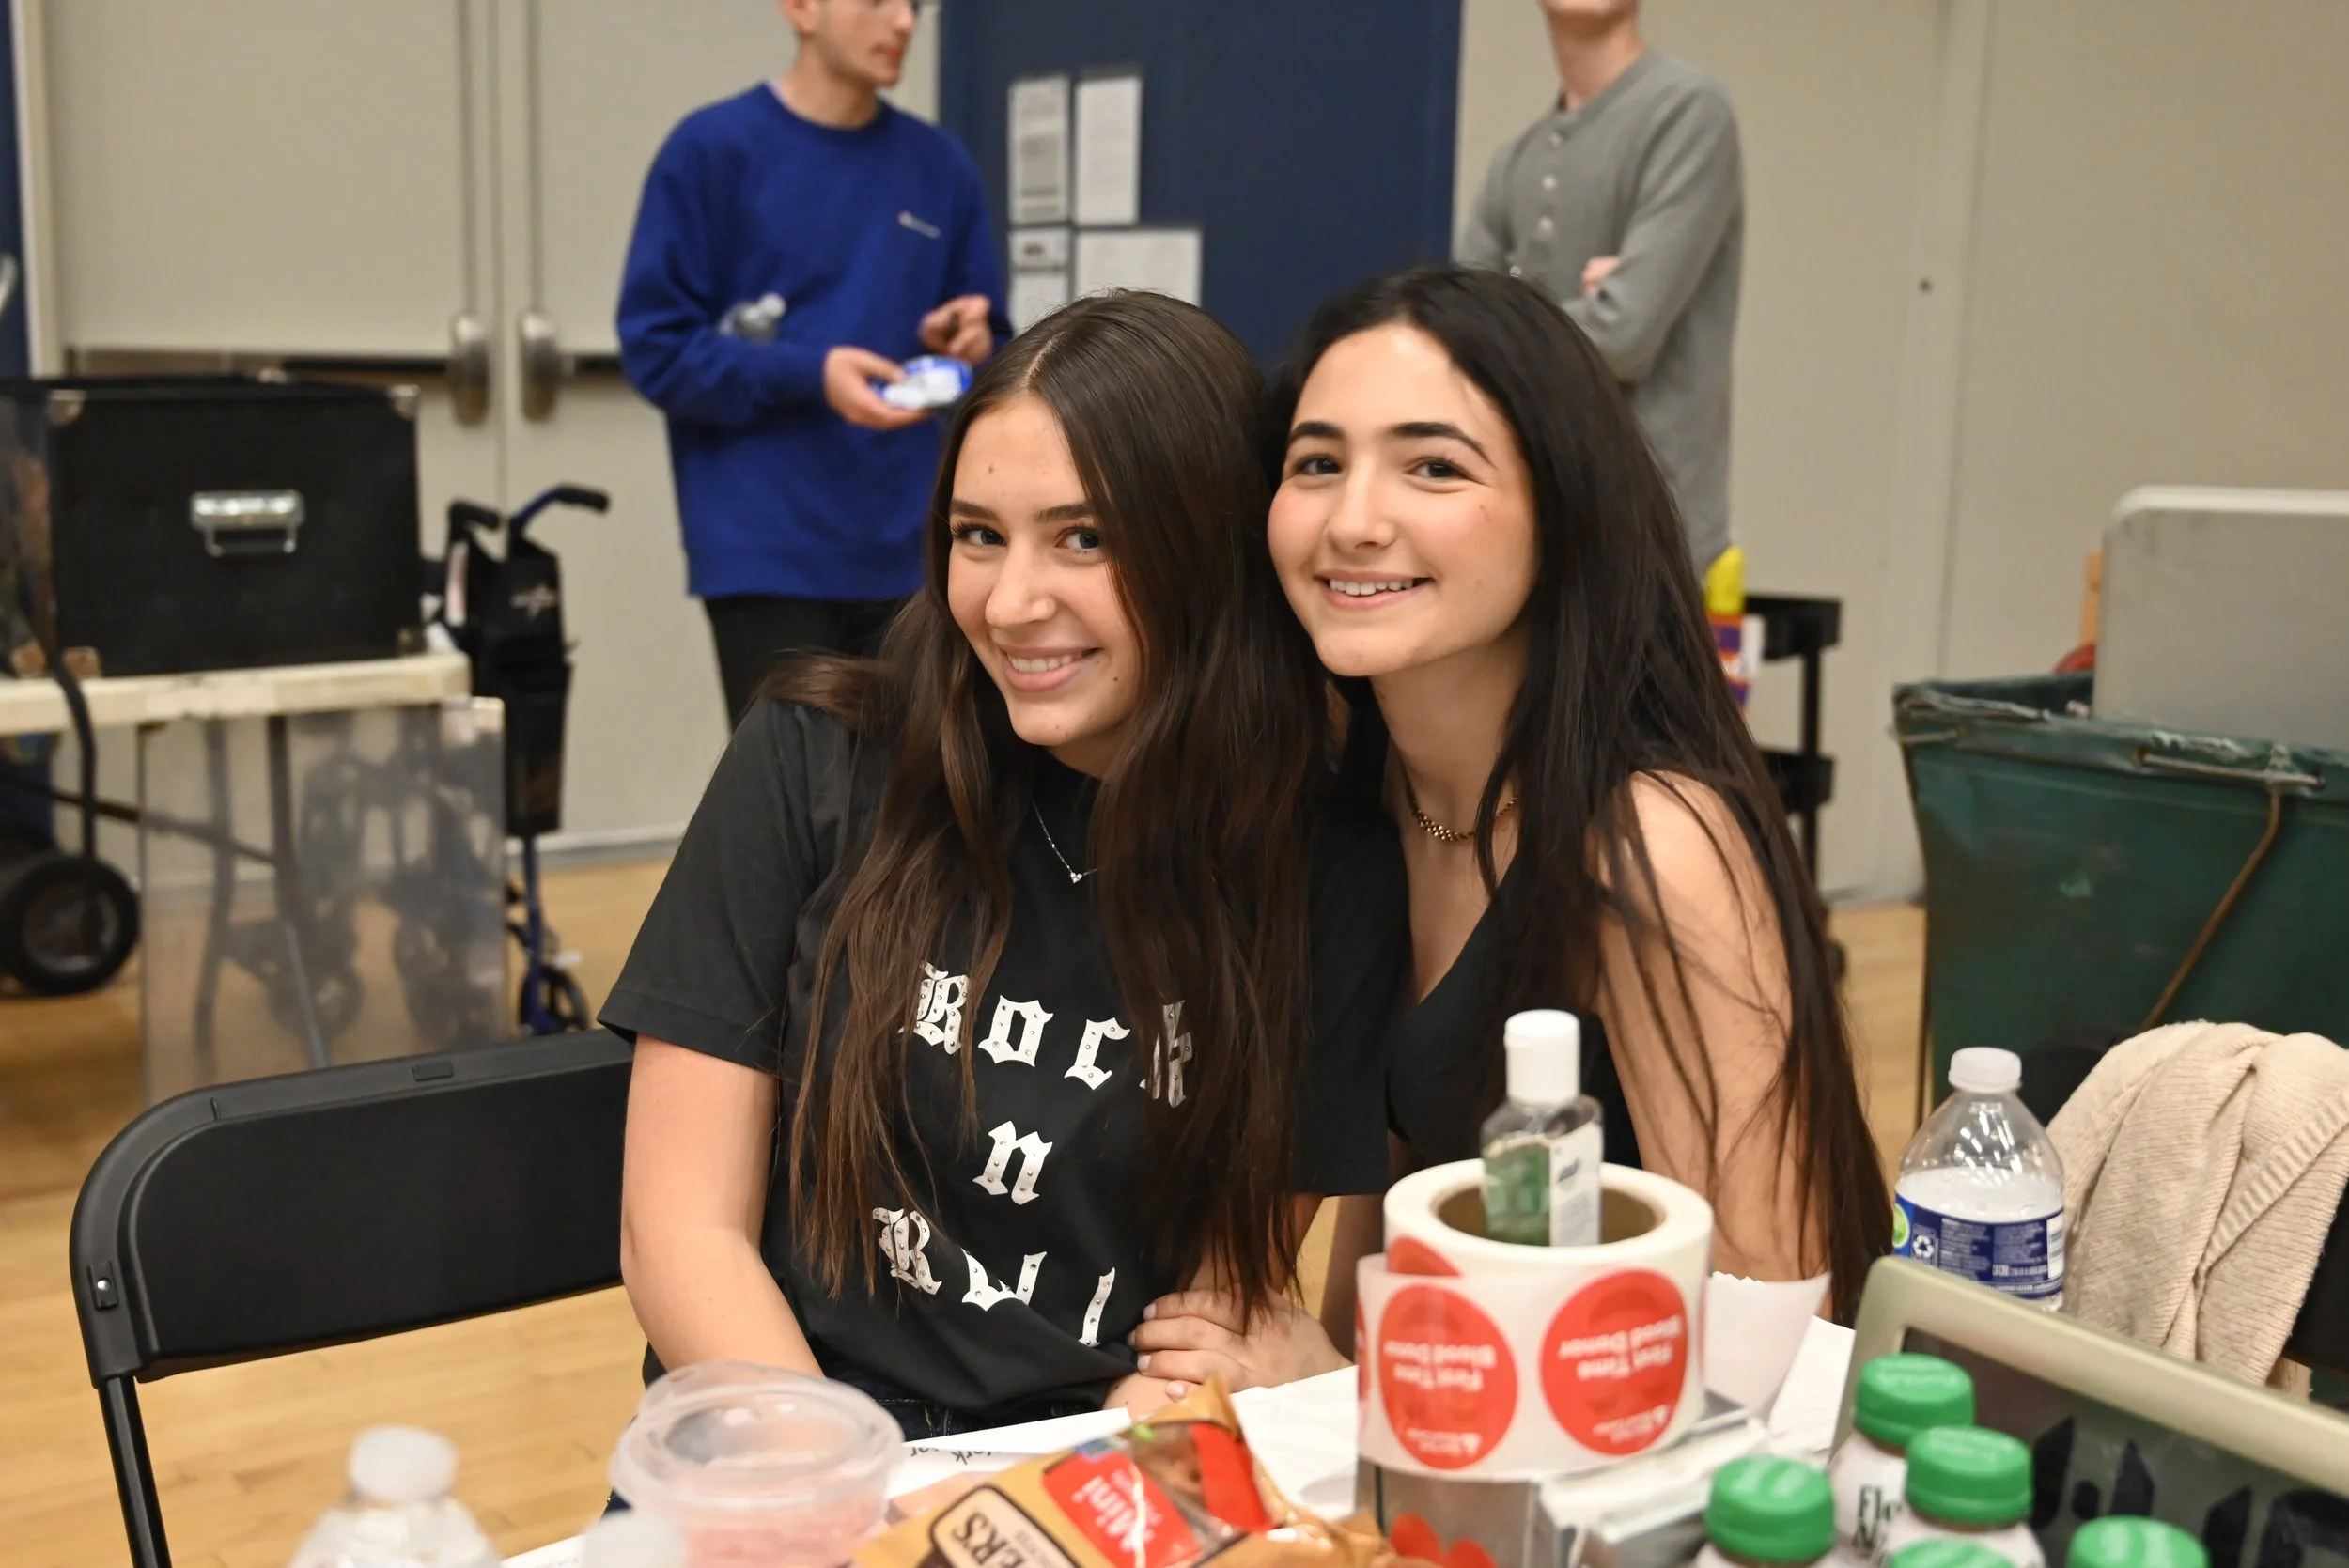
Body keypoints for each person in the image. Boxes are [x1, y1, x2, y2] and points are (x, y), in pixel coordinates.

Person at [601, 291, 1407, 1439]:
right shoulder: (814, 757)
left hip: (1086, 1443)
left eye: (1084, 538)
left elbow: (1212, 1314)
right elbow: (681, 1233)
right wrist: (850, 1492)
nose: (1012, 602)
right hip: (787, 1431)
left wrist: (1082, 1466)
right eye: (978, 534)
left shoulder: (1321, 857)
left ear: (1211, 552)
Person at [1127, 266, 1887, 1394]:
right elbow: (1392, 1260)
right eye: (1317, 464)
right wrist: (1332, 1385)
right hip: (1472, 1434)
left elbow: (1772, 1342)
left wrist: (1339, 1387)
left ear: (1562, 511)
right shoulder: (1373, 804)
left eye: (1433, 467)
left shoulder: (1651, 844)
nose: (1353, 521)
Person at [617, 0, 1008, 723]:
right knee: (795, 782)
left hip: (910, 549)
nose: (904, 23)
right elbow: (655, 346)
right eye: (878, 2)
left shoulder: (940, 168)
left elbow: (995, 353)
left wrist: (970, 341)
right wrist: (810, 375)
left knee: (909, 782)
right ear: (800, 8)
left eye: (915, 5)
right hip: (767, 550)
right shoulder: (711, 152)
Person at [1457, 0, 1741, 572]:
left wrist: (1518, 309)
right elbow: (1460, 338)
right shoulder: (1516, 159)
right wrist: (1585, 306)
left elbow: (1621, 338)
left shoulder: (1688, 112)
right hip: (1538, 523)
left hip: (1651, 530)